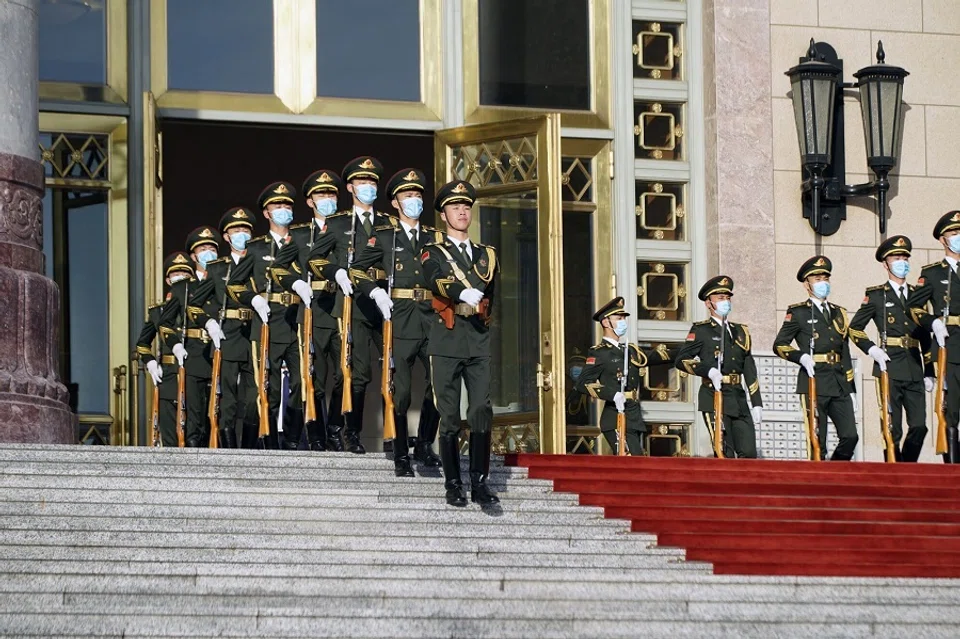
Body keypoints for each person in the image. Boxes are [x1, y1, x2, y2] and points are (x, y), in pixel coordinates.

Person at [350, 168, 445, 476]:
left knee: (439, 384)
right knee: (399, 389)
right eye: (408, 195)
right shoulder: (386, 237)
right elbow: (357, 270)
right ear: (395, 202)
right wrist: (375, 292)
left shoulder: (435, 237)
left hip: (431, 317)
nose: (414, 200)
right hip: (401, 317)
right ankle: (401, 451)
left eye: (417, 195)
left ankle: (425, 445)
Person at [420, 180, 499, 506]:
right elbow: (434, 277)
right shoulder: (433, 251)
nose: (462, 211)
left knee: (480, 408)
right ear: (443, 214)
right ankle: (454, 483)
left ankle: (480, 481)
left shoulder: (487, 255)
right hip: (447, 339)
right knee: (449, 413)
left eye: (466, 207)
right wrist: (459, 292)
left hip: (477, 340)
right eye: (455, 207)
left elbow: (491, 295)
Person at [322, 157, 393, 454]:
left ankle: (395, 433)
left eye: (373, 183)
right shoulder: (338, 224)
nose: (369, 188)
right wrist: (337, 271)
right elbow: (317, 259)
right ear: (350, 187)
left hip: (385, 302)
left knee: (395, 368)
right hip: (354, 304)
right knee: (357, 371)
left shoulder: (389, 223)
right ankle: (348, 431)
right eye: (363, 183)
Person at [235, 182, 308, 449]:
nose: (283, 210)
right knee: (267, 387)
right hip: (267, 322)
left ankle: (291, 438)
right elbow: (235, 285)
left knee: (303, 381)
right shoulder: (254, 249)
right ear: (267, 213)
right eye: (277, 206)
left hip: (297, 321)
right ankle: (259, 442)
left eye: (287, 205)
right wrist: (253, 299)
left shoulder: (302, 242)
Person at [849, 236, 933, 462]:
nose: (902, 261)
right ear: (885, 264)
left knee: (919, 426)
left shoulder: (919, 294)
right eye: (896, 257)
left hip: (914, 365)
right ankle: (894, 471)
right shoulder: (877, 295)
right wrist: (872, 349)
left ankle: (906, 466)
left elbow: (926, 335)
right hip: (889, 366)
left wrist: (930, 370)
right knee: (891, 428)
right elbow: (855, 329)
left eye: (905, 257)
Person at [283, 169, 346, 451]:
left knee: (348, 372)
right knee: (314, 376)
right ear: (310, 201)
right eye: (321, 194)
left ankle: (336, 427)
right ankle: (318, 435)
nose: (327, 199)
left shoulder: (348, 229)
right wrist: (296, 283)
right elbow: (277, 269)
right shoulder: (298, 235)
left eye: (331, 193)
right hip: (313, 309)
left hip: (342, 309)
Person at [773, 256, 858, 461]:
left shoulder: (839, 313)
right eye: (817, 279)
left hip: (839, 382)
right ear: (807, 284)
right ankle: (820, 479)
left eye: (825, 278)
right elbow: (779, 345)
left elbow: (844, 350)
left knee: (850, 436)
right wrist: (800, 357)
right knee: (817, 440)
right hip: (814, 380)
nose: (822, 283)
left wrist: (851, 387)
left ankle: (836, 470)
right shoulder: (799, 312)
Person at [674, 276, 762, 458]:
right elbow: (682, 360)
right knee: (724, 452)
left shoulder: (741, 331)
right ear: (709, 303)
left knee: (749, 452)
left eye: (727, 298)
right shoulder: (701, 330)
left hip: (738, 397)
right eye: (720, 298)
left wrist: (756, 403)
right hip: (714, 396)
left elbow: (749, 368)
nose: (725, 302)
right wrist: (708, 370)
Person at [575, 297, 674, 456]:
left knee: (637, 464)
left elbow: (656, 356)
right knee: (631, 464)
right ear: (606, 323)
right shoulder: (599, 352)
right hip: (615, 418)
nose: (623, 322)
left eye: (624, 318)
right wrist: (612, 394)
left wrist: (686, 353)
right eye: (619, 318)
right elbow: (582, 383)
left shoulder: (630, 350)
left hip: (633, 418)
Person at [157, 226, 223, 447]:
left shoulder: (225, 281)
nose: (209, 253)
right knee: (195, 419)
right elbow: (165, 324)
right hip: (193, 355)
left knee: (222, 414)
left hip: (221, 354)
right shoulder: (182, 288)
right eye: (203, 249)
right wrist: (175, 345)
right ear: (193, 256)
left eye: (212, 248)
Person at [204, 207, 260, 449]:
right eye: (236, 230)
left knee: (254, 396)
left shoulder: (260, 262)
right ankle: (228, 448)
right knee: (226, 395)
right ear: (226, 237)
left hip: (256, 334)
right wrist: (210, 323)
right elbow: (202, 302)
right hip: (229, 334)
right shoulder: (217, 268)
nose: (242, 234)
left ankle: (249, 447)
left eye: (246, 229)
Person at [907, 211, 960, 463]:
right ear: (943, 239)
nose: (958, 237)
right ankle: (953, 468)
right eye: (954, 233)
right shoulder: (932, 273)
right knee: (951, 409)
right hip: (950, 345)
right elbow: (914, 308)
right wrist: (934, 322)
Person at [135, 252, 195, 447]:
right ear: (168, 280)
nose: (180, 279)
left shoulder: (200, 307)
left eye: (185, 276)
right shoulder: (157, 311)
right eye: (176, 275)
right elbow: (142, 344)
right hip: (169, 376)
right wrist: (150, 362)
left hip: (195, 374)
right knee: (169, 436)